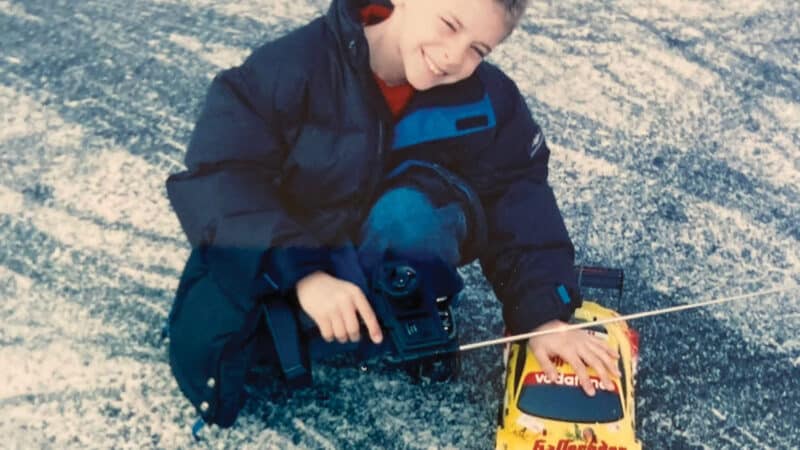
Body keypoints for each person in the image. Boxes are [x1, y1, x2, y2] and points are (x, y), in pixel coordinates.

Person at [165, 0, 620, 428]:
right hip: (289, 258)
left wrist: (541, 313)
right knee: (217, 355)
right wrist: (302, 276)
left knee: (412, 216)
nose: (452, 56)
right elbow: (220, 176)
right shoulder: (290, 69)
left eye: (478, 49)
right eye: (449, 24)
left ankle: (403, 315)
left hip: (376, 250)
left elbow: (518, 198)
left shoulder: (486, 100)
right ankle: (317, 320)